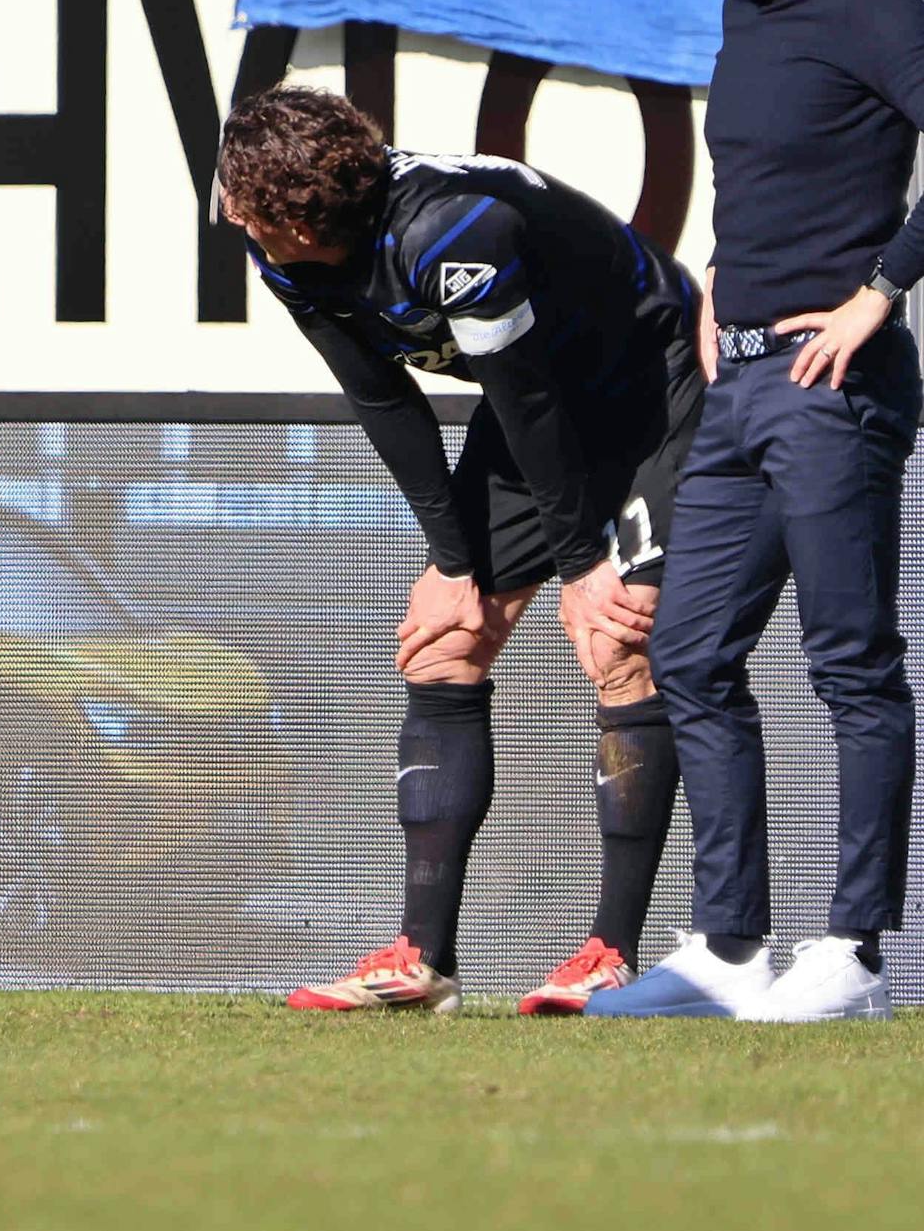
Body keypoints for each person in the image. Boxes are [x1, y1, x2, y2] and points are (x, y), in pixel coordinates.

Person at [218, 86, 701, 1014]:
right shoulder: (285, 255)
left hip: (653, 383)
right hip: (543, 407)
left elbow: (528, 404)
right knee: (444, 640)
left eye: (245, 204)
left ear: (292, 214)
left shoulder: (453, 235)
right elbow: (384, 399)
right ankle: (422, 959)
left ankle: (611, 952)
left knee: (616, 640)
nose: (231, 215)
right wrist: (452, 564)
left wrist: (578, 570)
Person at [589, 0, 924, 1022]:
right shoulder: (743, 8)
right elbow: (771, 179)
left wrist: (878, 291)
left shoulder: (873, 12)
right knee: (684, 649)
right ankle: (728, 948)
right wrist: (718, 289)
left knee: (849, 664)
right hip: (733, 386)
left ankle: (851, 956)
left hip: (828, 387)